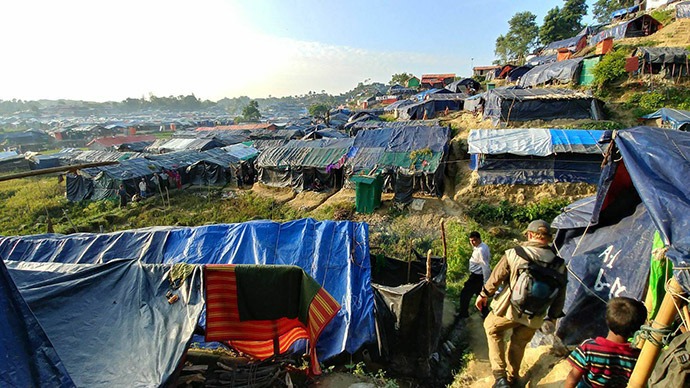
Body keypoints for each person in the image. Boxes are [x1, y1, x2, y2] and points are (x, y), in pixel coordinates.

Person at [475, 220, 567, 388]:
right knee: (519, 342)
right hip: (535, 315)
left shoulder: (514, 253)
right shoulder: (559, 264)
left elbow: (495, 278)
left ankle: (500, 377)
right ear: (548, 238)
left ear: (530, 235)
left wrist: (483, 295)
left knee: (492, 329)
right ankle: (513, 377)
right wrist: (552, 318)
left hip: (509, 309)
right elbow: (560, 295)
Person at [565, 297, 647, 388]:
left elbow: (572, 380)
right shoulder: (636, 356)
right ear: (637, 329)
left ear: (607, 318)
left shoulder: (588, 348)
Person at [459, 231, 491, 318]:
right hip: (477, 276)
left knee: (465, 294)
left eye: (474, 240)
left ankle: (463, 314)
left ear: (479, 239)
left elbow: (485, 267)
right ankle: (486, 315)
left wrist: (486, 283)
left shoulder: (481, 250)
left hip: (477, 276)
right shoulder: (482, 246)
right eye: (471, 241)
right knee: (480, 295)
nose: (472, 243)